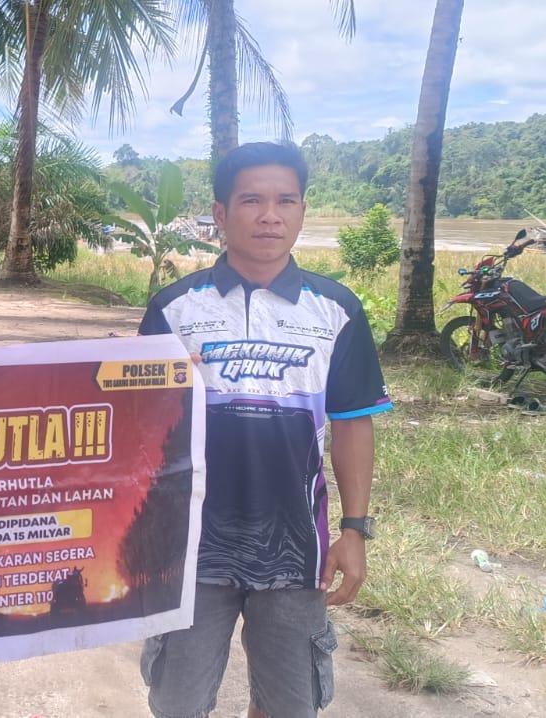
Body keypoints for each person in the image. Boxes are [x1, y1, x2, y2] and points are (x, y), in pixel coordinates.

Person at [137, 142, 392, 718]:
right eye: (251, 200)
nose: (270, 216)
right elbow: (137, 423)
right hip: (188, 543)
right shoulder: (175, 308)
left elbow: (352, 422)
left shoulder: (337, 310)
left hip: (297, 548)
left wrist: (354, 530)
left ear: (302, 210)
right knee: (177, 703)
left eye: (286, 201)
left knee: (288, 705)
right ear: (220, 213)